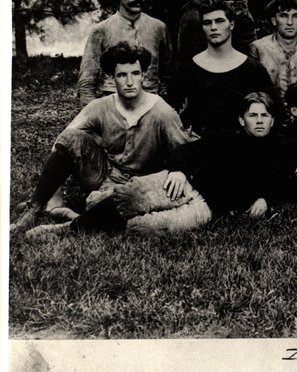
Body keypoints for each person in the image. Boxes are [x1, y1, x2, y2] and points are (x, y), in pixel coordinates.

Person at [25, 92, 291, 237]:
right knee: (130, 196)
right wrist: (178, 171)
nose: (259, 120)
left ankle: (78, 218)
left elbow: (285, 183)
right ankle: (67, 228)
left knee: (143, 228)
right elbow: (186, 151)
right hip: (186, 186)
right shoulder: (224, 138)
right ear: (242, 120)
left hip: (205, 209)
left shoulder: (278, 151)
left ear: (272, 121)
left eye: (264, 115)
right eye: (252, 115)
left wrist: (266, 198)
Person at [11, 43, 193, 234]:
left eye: (135, 73)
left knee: (102, 206)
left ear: (143, 75)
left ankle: (73, 219)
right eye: (122, 75)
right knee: (72, 137)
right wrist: (54, 196)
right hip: (106, 175)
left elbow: (184, 153)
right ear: (111, 78)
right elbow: (63, 142)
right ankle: (34, 210)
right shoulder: (101, 106)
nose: (130, 81)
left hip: (141, 185)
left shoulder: (162, 112)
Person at [168, 0, 283, 136]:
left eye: (219, 21)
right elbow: (169, 110)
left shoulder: (252, 68)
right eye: (207, 23)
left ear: (232, 24)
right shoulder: (189, 68)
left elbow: (277, 111)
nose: (213, 27)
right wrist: (183, 135)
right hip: (200, 147)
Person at [77, 0, 172, 106]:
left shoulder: (159, 28)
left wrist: (165, 108)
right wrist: (94, 117)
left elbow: (168, 75)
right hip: (113, 102)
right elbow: (87, 81)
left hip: (150, 102)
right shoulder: (101, 30)